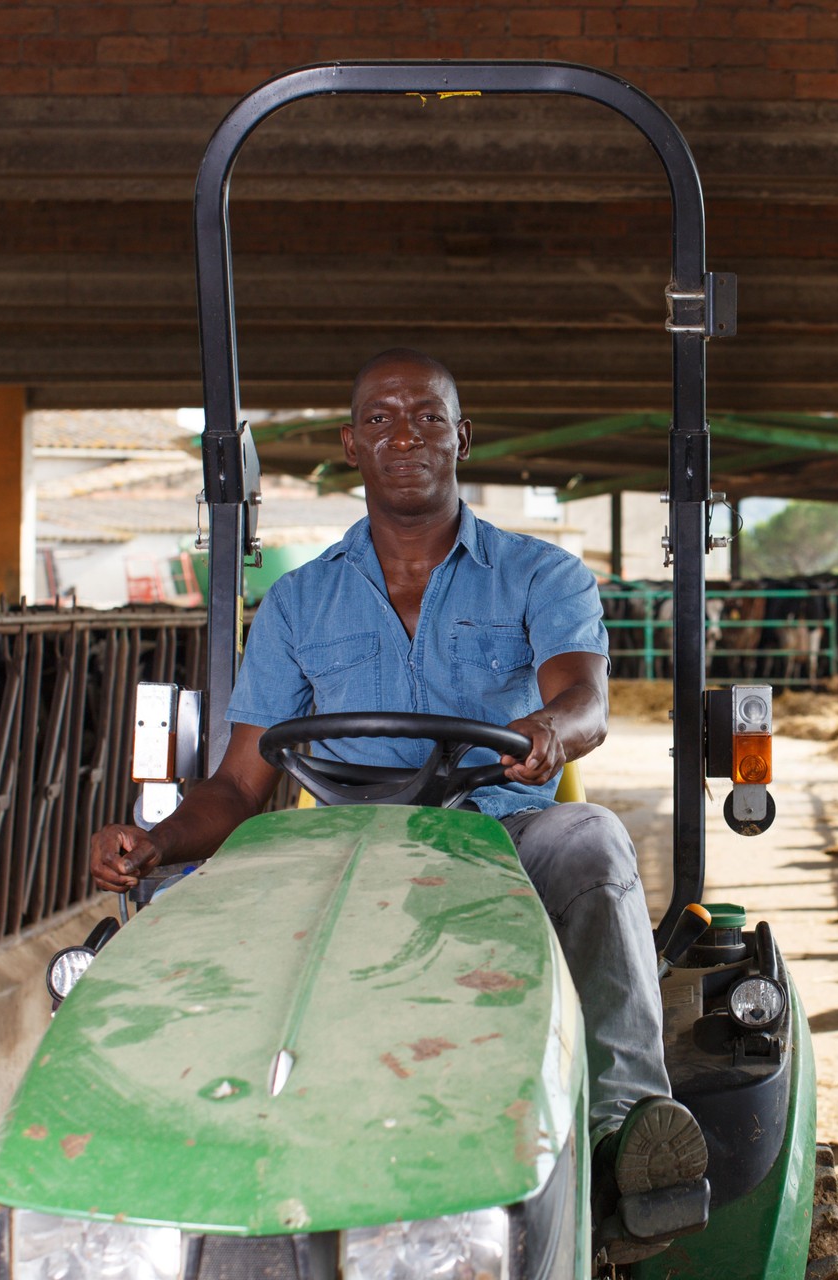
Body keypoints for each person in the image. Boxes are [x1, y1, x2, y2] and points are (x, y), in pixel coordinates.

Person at [88, 348, 704, 1256]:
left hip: (500, 837)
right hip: (338, 853)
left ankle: (621, 1136)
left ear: (463, 435)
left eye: (426, 415)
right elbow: (238, 784)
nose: (404, 433)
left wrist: (549, 733)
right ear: (351, 444)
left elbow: (585, 699)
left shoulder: (539, 575)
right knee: (177, 916)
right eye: (379, 418)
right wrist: (156, 840)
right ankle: (170, 1153)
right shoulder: (298, 604)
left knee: (594, 842)